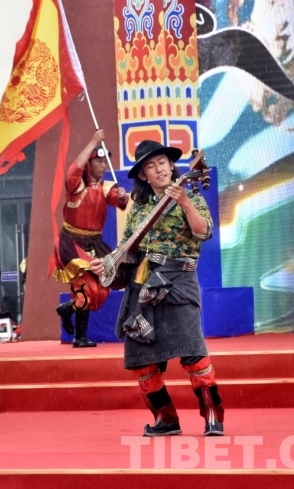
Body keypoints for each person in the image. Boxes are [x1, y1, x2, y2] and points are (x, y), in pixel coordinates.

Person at [91, 140, 224, 437]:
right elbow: (126, 249)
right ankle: (166, 419)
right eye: (151, 166)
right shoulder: (138, 209)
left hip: (178, 282)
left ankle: (213, 416)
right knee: (141, 361)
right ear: (143, 175)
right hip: (143, 285)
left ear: (171, 165)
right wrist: (107, 264)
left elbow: (204, 232)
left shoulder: (190, 195)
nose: (159, 169)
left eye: (162, 162)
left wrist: (185, 203)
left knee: (194, 354)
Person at [52, 129, 129, 347]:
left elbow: (118, 202)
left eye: (106, 162)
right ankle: (80, 336)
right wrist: (93, 141)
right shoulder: (75, 185)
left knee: (102, 288)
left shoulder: (105, 187)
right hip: (72, 243)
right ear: (89, 163)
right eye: (99, 162)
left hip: (95, 243)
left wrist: (123, 198)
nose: (104, 166)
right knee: (87, 288)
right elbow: (74, 169)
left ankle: (67, 309)